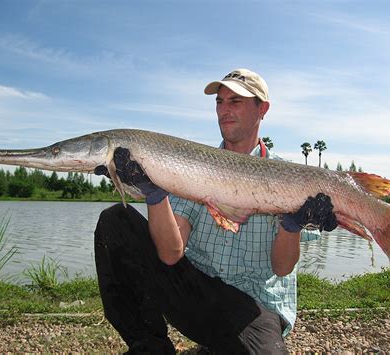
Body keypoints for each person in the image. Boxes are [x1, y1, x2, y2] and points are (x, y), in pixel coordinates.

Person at [94, 69, 337, 354]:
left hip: (254, 306)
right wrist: (155, 194)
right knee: (116, 222)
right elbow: (171, 253)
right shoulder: (191, 168)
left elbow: (282, 268)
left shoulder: (287, 178)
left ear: (263, 109)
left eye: (235, 101)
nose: (224, 110)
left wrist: (292, 225)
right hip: (197, 292)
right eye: (219, 102)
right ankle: (149, 347)